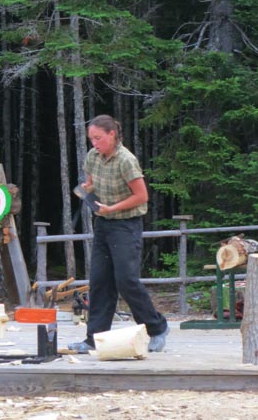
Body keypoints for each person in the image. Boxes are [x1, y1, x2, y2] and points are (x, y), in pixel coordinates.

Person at [68, 114, 169, 353]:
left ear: (112, 135)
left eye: (99, 138)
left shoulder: (126, 160)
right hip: (103, 225)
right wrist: (86, 189)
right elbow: (92, 182)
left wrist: (112, 207)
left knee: (126, 280)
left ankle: (156, 328)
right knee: (100, 282)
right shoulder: (93, 156)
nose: (95, 143)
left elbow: (141, 196)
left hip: (126, 225)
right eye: (92, 138)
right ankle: (94, 338)